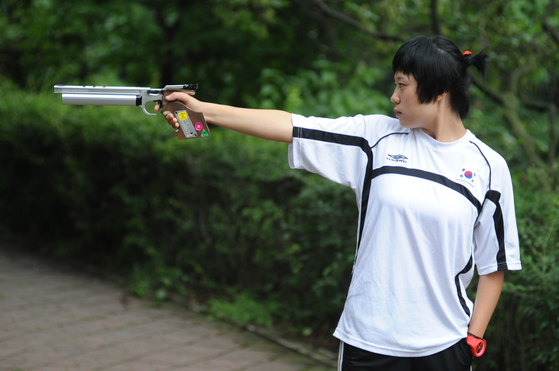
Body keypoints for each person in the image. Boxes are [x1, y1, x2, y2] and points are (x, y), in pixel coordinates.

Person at [156, 35, 522, 371]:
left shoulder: (488, 167)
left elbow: (494, 265)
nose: (393, 96)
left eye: (402, 85)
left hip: (445, 348)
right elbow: (292, 125)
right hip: (369, 341)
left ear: (439, 91)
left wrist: (472, 340)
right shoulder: (375, 139)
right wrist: (203, 110)